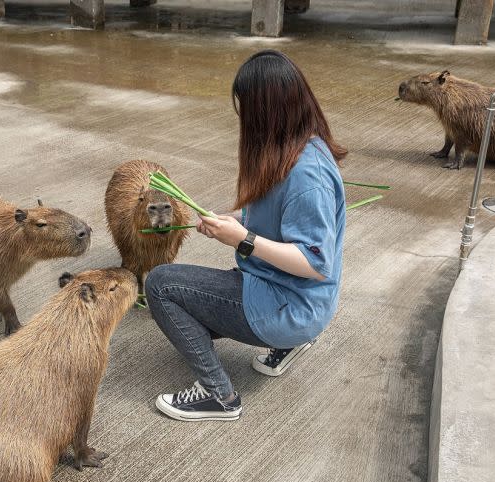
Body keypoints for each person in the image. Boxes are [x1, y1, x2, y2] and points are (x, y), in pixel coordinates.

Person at [145, 50, 347, 422]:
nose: (244, 120)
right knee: (193, 289)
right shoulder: (301, 145)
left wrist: (243, 239)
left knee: (160, 285)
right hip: (294, 298)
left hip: (293, 304)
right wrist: (232, 220)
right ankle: (286, 343)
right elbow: (275, 214)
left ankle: (218, 395)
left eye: (248, 110)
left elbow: (316, 263)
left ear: (268, 112)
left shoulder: (307, 175)